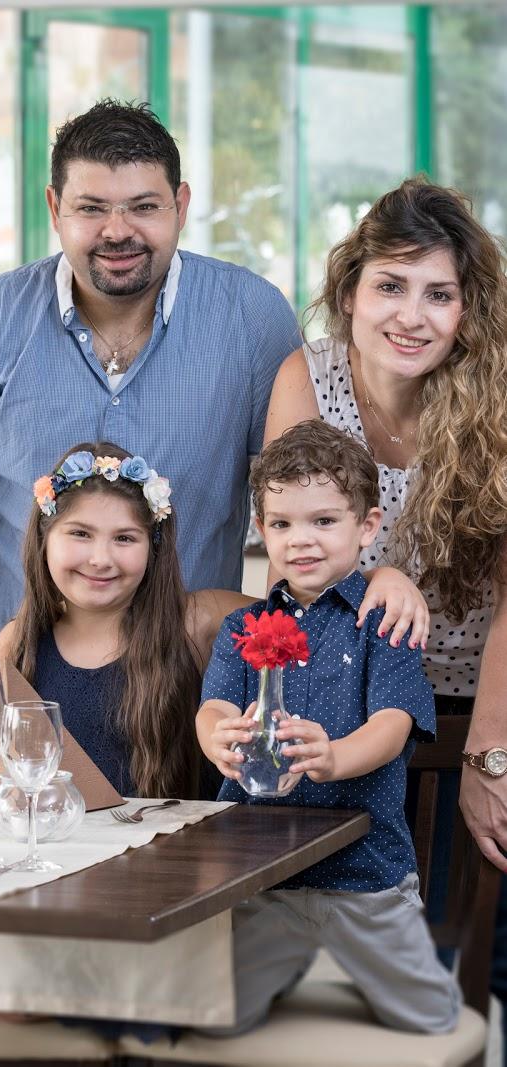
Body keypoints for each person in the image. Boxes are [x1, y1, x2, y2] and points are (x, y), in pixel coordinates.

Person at [0, 98, 308, 734]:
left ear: (180, 206)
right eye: (91, 208)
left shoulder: (252, 317)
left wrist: (292, 676)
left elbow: (299, 509)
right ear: (54, 209)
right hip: (3, 680)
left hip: (182, 692)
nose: (118, 231)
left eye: (143, 207)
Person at [262, 177, 507, 1043]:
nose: (412, 315)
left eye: (439, 294)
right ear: (349, 292)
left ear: (466, 312)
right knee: (399, 949)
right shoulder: (310, 377)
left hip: (478, 693)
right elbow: (292, 548)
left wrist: (487, 756)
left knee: (485, 924)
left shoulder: (492, 395)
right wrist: (377, 581)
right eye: (390, 286)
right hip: (357, 693)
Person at [198, 420, 460, 1035]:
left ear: (366, 527)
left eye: (324, 521)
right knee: (222, 1022)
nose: (301, 541)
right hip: (259, 874)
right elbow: (213, 706)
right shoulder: (244, 628)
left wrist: (335, 756)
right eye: (282, 524)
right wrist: (216, 734)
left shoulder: (382, 622)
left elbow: (395, 724)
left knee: (429, 1020)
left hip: (363, 874)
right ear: (261, 530)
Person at [0, 441, 249, 798]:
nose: (100, 559)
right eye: (80, 533)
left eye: (124, 538)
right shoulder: (16, 642)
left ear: (153, 548)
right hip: (59, 848)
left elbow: (305, 616)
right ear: (44, 538)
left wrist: (355, 598)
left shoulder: (196, 621)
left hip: (179, 850)